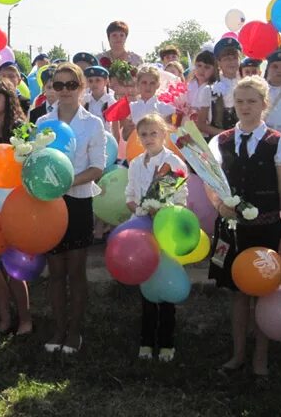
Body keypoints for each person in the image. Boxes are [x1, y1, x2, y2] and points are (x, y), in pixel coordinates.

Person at [205, 77, 281, 376]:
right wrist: (219, 205)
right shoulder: (220, 141)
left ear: (263, 104)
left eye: (252, 101)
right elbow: (211, 182)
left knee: (265, 291)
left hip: (266, 229)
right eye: (240, 101)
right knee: (238, 293)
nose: (245, 107)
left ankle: (261, 357)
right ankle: (238, 354)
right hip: (233, 230)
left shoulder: (277, 143)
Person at [35, 62, 106, 354]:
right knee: (55, 271)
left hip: (78, 201)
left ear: (82, 87)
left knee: (75, 271)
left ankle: (75, 331)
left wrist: (67, 182)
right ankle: (58, 328)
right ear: (52, 87)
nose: (64, 90)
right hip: (50, 203)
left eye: (71, 85)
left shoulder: (93, 123)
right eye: (58, 84)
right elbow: (36, 162)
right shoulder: (43, 123)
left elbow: (98, 167)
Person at [124, 113, 186, 362]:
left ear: (164, 135)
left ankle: (167, 341)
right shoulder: (136, 163)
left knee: (167, 283)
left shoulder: (173, 163)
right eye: (144, 134)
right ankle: (147, 341)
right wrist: (136, 207)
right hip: (142, 229)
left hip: (165, 229)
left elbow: (180, 197)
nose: (148, 138)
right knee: (146, 284)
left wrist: (160, 209)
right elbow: (129, 193)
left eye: (153, 133)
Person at [0, 77, 33, 335]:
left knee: (13, 263)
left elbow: (26, 163)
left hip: (12, 197)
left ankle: (25, 319)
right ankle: (3, 319)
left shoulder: (20, 127)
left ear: (8, 99)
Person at [196, 38, 241, 139]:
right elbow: (201, 124)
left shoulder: (247, 86)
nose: (231, 62)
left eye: (234, 58)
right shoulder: (208, 89)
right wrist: (226, 134)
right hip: (219, 142)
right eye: (226, 59)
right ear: (219, 63)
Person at [122, 65, 175, 140]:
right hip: (135, 149)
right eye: (144, 83)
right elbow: (125, 137)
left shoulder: (166, 109)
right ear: (137, 84)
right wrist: (130, 130)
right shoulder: (130, 108)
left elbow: (171, 136)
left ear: (158, 85)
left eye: (152, 83)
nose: (148, 87)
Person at [82, 66, 114, 131]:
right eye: (90, 81)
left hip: (107, 139)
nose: (94, 84)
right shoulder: (84, 101)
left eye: (98, 80)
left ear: (106, 82)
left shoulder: (111, 102)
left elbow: (115, 128)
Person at [187, 50, 217, 114]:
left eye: (207, 67)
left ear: (214, 70)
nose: (202, 70)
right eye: (199, 65)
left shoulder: (214, 88)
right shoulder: (189, 84)